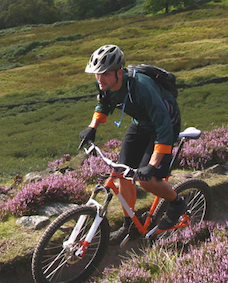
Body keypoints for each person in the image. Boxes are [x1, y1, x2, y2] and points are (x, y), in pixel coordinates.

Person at [77, 44, 185, 243]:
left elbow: (163, 128)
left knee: (147, 180)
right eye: (97, 74)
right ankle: (130, 225)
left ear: (120, 72)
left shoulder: (142, 87)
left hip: (165, 125)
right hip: (141, 124)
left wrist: (152, 165)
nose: (100, 79)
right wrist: (92, 127)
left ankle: (177, 203)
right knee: (121, 172)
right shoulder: (105, 84)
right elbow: (104, 102)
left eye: (106, 74)